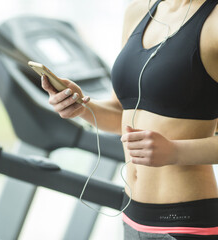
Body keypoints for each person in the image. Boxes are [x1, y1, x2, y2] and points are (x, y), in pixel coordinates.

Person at [41, 0, 218, 239]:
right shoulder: (139, 11)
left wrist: (175, 151)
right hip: (132, 215)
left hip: (185, 222)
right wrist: (81, 107)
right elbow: (121, 113)